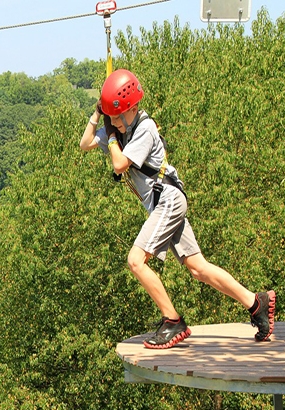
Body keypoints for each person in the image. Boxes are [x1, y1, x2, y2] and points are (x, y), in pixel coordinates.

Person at [79, 69, 275, 349]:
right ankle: (256, 303)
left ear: (132, 108)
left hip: (167, 199)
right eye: (113, 119)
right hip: (164, 202)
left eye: (119, 118)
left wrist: (110, 138)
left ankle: (172, 321)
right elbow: (85, 143)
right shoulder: (119, 128)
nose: (116, 124)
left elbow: (120, 165)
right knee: (198, 268)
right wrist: (99, 114)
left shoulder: (144, 128)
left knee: (135, 260)